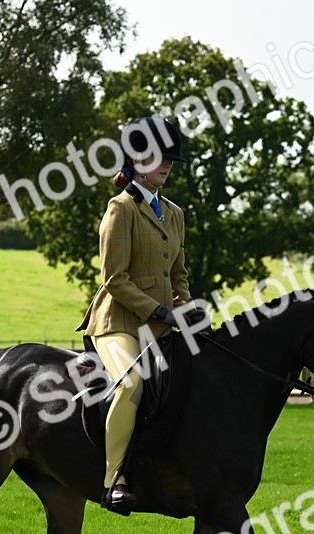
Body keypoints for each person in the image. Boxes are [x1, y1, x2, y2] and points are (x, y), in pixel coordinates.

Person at [76, 115, 206, 513]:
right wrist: (162, 311)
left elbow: (179, 274)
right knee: (132, 383)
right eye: (158, 157)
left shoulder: (175, 213)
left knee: (202, 371)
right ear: (135, 159)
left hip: (162, 322)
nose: (166, 165)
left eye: (170, 159)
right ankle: (114, 479)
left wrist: (186, 307)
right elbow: (115, 279)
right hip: (118, 322)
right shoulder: (121, 209)